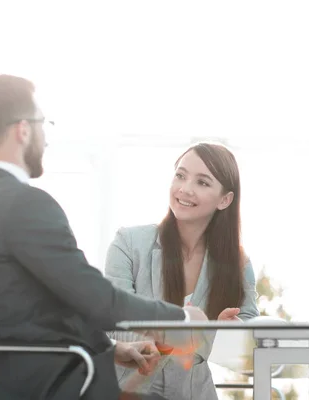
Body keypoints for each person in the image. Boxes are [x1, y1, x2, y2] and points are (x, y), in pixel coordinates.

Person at [0, 74, 208, 400]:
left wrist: (112, 349)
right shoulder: (24, 205)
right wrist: (181, 316)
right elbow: (98, 301)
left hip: (16, 382)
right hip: (50, 388)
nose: (46, 138)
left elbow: (32, 312)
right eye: (44, 124)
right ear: (23, 129)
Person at [105, 142, 260, 400]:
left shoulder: (238, 262)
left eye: (202, 182)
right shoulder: (129, 243)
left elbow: (249, 338)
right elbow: (113, 322)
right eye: (180, 175)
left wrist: (226, 331)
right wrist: (184, 331)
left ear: (225, 199)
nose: (185, 189)